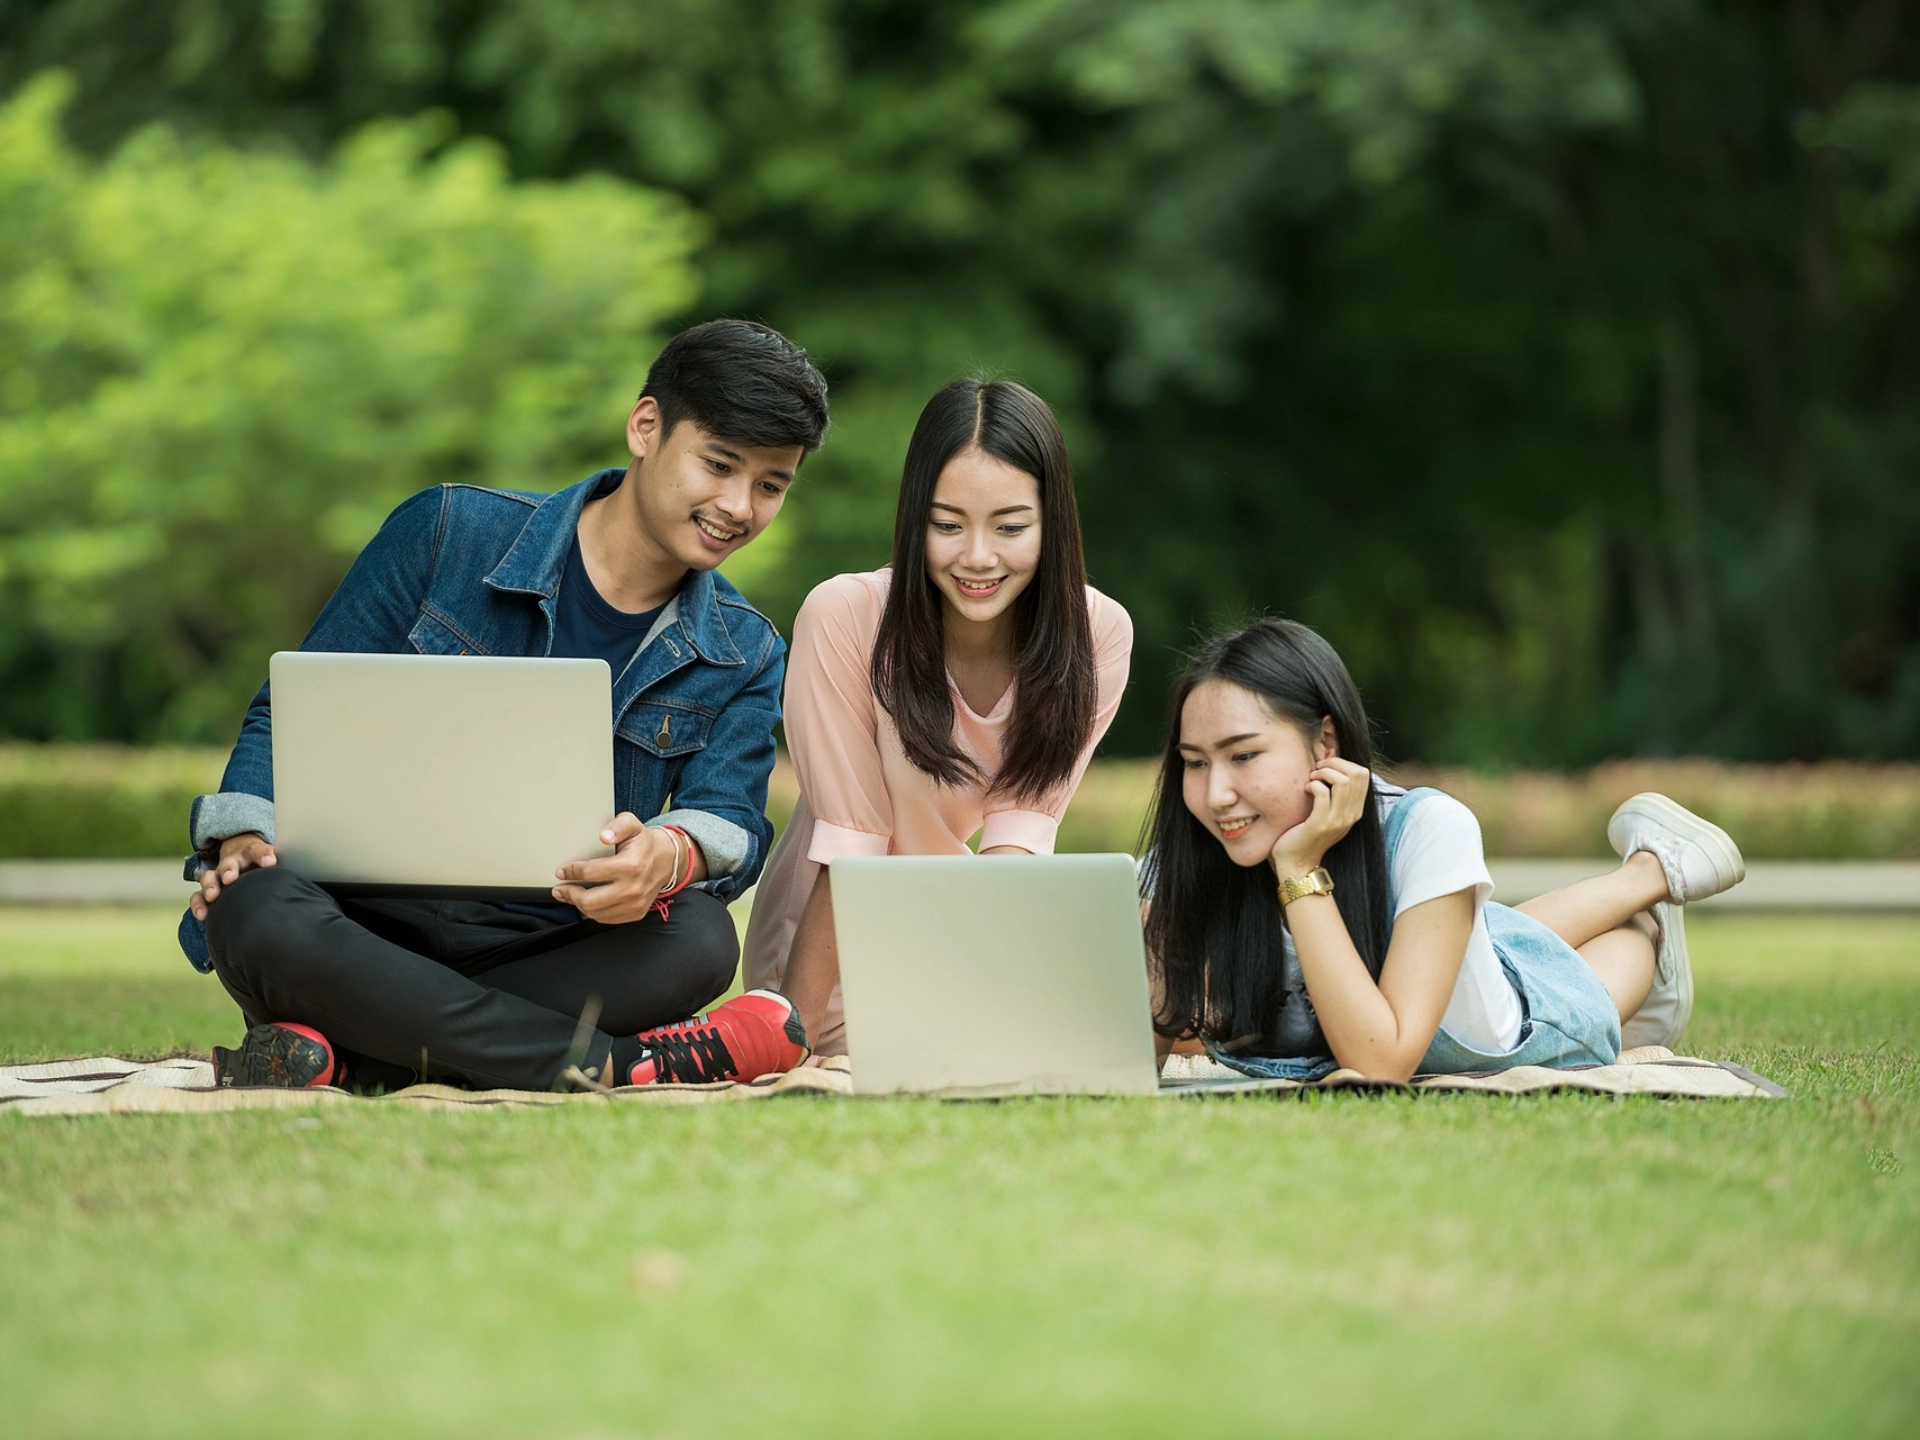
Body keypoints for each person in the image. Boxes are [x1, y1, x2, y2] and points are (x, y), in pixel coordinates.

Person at [182, 319, 829, 1092]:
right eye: (719, 465)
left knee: (697, 938)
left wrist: (670, 856)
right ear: (646, 426)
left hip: (552, 938)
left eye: (770, 485)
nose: (738, 505)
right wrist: (246, 833)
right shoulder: (445, 530)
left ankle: (353, 1051)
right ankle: (619, 1065)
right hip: (355, 922)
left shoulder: (746, 648)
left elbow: (728, 819)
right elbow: (286, 713)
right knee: (253, 908)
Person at [1144, 618, 1746, 1082]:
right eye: (1195, 763)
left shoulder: (1428, 827)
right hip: (1456, 947)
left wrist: (1299, 868)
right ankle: (1649, 869)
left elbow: (1380, 1064)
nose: (1215, 793)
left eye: (1243, 755)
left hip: (1510, 1020)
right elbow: (1130, 1053)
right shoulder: (1193, 855)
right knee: (1487, 932)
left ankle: (1649, 888)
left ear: (1324, 742)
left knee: (1610, 950)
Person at [743, 379, 1133, 1055]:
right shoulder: (845, 617)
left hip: (966, 927)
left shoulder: (1096, 634)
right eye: (947, 525)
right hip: (826, 948)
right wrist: (791, 1050)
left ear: (1053, 523)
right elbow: (849, 851)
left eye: (1010, 527)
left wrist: (994, 1002)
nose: (977, 557)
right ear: (913, 518)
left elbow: (1018, 847)